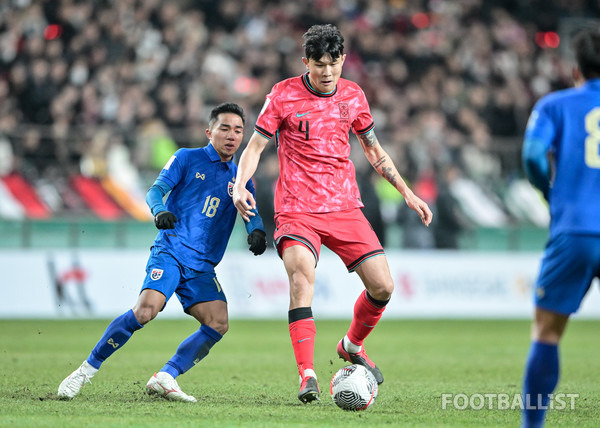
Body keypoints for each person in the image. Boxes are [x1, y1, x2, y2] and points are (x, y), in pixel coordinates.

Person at [232, 24, 433, 404]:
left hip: (344, 206)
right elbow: (255, 147)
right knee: (300, 279)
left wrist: (407, 192)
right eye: (319, 64)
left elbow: (373, 150)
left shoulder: (354, 95)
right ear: (305, 61)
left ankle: (351, 344)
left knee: (383, 287)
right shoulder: (283, 95)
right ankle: (307, 374)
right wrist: (241, 184)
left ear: (343, 59)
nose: (327, 72)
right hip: (297, 209)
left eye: (334, 63)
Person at [57, 102, 267, 402]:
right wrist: (159, 211)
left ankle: (166, 375)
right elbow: (155, 190)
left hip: (202, 266)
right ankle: (85, 370)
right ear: (210, 132)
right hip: (171, 250)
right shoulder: (187, 158)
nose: (231, 135)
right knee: (145, 311)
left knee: (219, 323)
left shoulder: (242, 176)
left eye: (238, 130)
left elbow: (250, 211)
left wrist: (256, 230)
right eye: (225, 128)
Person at [521, 28, 600, 428]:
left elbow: (534, 155)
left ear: (575, 70)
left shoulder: (556, 104)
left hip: (577, 229)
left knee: (547, 331)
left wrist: (551, 195)